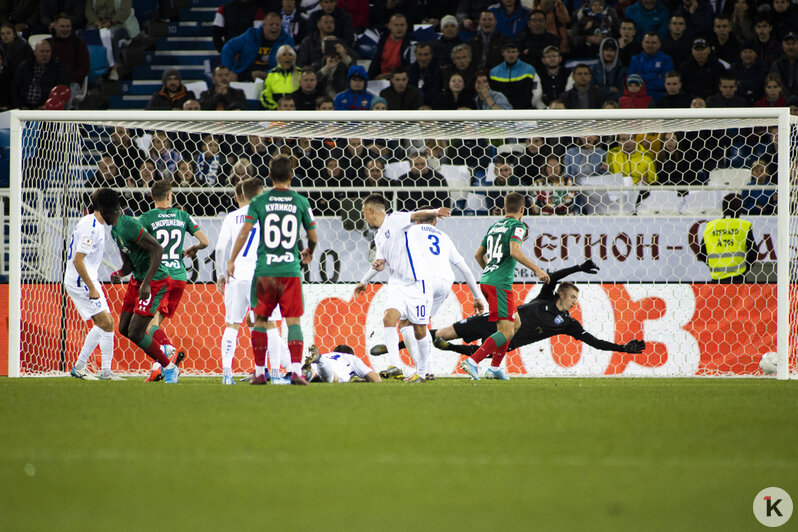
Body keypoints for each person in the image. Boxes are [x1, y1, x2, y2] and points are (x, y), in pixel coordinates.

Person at [430, 261, 646, 360]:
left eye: (576, 299)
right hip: (495, 320)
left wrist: (622, 348)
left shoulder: (569, 323)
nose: (574, 302)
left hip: (511, 341)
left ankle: (449, 349)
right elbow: (555, 277)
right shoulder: (546, 296)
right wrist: (578, 268)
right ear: (561, 294)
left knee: (488, 353)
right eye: (572, 297)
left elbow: (595, 342)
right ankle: (402, 343)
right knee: (442, 332)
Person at [226, 155, 318, 385]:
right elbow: (313, 236)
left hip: (265, 270)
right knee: (292, 322)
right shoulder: (300, 201)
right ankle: (296, 371)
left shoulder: (259, 202)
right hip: (290, 270)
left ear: (269, 177)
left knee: (260, 320)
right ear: (291, 176)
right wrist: (310, 251)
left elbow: (244, 232)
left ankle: (259, 372)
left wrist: (231, 260)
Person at [366, 209, 485, 382]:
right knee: (422, 325)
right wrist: (476, 296)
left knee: (408, 324)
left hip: (422, 281)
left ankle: (423, 370)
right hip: (444, 284)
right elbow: (464, 268)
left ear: (418, 220)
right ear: (435, 222)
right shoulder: (444, 237)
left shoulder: (410, 230)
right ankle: (426, 371)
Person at [353, 194, 450, 380]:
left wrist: (435, 211)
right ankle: (395, 366)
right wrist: (363, 281)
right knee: (389, 318)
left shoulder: (395, 219)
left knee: (419, 329)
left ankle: (424, 371)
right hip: (397, 283)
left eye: (364, 213)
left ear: (371, 211)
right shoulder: (379, 235)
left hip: (417, 283)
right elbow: (380, 262)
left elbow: (415, 215)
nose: (364, 217)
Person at [460, 192, 549, 381]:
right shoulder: (518, 226)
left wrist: (490, 272)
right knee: (506, 331)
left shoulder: (495, 226)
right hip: (499, 284)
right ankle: (473, 361)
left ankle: (494, 368)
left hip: (489, 281)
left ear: (504, 208)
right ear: (523, 210)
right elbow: (514, 251)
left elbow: (478, 255)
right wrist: (537, 270)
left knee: (515, 323)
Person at [215, 179, 290, 385]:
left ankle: (227, 375)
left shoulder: (231, 217)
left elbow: (221, 248)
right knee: (271, 324)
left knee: (232, 324)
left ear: (238, 196)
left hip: (236, 276)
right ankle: (275, 376)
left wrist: (222, 273)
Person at [103, 190, 182, 383]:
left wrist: (146, 282)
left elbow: (157, 248)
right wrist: (120, 273)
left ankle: (169, 366)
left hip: (153, 280)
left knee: (137, 332)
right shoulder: (115, 230)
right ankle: (166, 357)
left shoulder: (128, 224)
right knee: (124, 328)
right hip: (137, 280)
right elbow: (129, 264)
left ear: (104, 210)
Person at [138, 179, 209, 381]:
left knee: (146, 326)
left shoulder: (145, 218)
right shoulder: (183, 215)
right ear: (170, 196)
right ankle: (161, 369)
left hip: (159, 276)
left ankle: (167, 348)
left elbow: (138, 245)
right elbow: (205, 241)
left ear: (152, 197)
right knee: (157, 323)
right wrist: (193, 248)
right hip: (179, 276)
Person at [66, 189, 120, 381]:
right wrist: (92, 287)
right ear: (105, 208)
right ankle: (80, 367)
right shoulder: (91, 227)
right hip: (81, 281)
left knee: (109, 323)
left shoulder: (96, 222)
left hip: (88, 278)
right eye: (115, 209)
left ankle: (105, 371)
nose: (117, 212)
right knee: (105, 323)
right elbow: (78, 260)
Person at [697, 193, 757, 283]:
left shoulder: (711, 226)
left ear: (723, 208)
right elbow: (753, 252)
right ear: (739, 208)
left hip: (716, 279)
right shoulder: (743, 225)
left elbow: (702, 253)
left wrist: (715, 266)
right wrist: (745, 269)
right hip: (738, 278)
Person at [221, 12, 294, 82]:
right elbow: (229, 47)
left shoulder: (287, 41)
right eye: (271, 24)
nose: (274, 27)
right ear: (264, 26)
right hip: (245, 76)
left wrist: (267, 74)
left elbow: (287, 63)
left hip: (273, 79)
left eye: (277, 25)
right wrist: (228, 70)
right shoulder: (251, 35)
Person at [11, 39, 68, 109]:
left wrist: (46, 105)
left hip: (47, 108)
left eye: (48, 51)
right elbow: (15, 89)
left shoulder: (58, 68)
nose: (45, 54)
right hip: (23, 107)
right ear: (35, 52)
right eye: (42, 51)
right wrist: (20, 106)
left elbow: (60, 91)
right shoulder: (25, 66)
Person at [47, 13, 89, 103]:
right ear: (55, 26)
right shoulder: (47, 44)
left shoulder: (79, 43)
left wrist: (66, 80)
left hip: (72, 83)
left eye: (68, 26)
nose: (66, 29)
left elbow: (84, 68)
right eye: (62, 26)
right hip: (50, 82)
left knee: (65, 96)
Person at [489, 40, 541, 109]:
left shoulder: (529, 69)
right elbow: (492, 94)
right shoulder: (494, 72)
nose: (511, 55)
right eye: (508, 52)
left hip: (524, 110)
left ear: (518, 53)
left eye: (514, 51)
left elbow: (535, 92)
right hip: (501, 111)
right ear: (502, 53)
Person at [627, 31, 673, 102]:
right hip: (637, 98)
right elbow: (631, 82)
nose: (650, 45)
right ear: (642, 44)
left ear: (659, 45)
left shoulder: (666, 60)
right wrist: (655, 76)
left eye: (653, 43)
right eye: (647, 42)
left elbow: (666, 83)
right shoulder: (635, 60)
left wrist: (640, 81)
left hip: (660, 98)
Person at [368, 13, 414, 81]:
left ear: (407, 26)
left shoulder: (411, 44)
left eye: (402, 25)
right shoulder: (382, 40)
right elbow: (375, 63)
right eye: (396, 25)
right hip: (381, 79)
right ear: (389, 26)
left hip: (402, 80)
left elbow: (411, 69)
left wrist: (390, 75)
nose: (399, 28)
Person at [303, 344, 381, 383]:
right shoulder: (352, 358)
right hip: (334, 371)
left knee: (314, 371)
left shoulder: (328, 354)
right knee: (330, 378)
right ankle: (320, 360)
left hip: (316, 364)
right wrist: (363, 381)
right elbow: (376, 379)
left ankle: (309, 374)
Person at [259, 44, 301, 109]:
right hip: (276, 113)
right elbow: (266, 97)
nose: (287, 57)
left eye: (290, 54)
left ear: (294, 58)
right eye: (284, 54)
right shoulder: (271, 74)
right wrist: (276, 108)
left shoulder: (300, 73)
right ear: (278, 58)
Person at [590, 37, 626, 102]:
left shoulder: (622, 70)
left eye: (612, 50)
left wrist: (601, 89)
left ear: (616, 52)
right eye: (606, 50)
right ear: (601, 51)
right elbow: (592, 91)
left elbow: (621, 92)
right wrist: (610, 89)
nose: (609, 53)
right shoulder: (593, 69)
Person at [408, 41, 443, 105]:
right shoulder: (409, 71)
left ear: (431, 55)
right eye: (420, 54)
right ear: (415, 55)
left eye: (426, 54)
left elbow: (436, 94)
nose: (423, 58)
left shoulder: (438, 72)